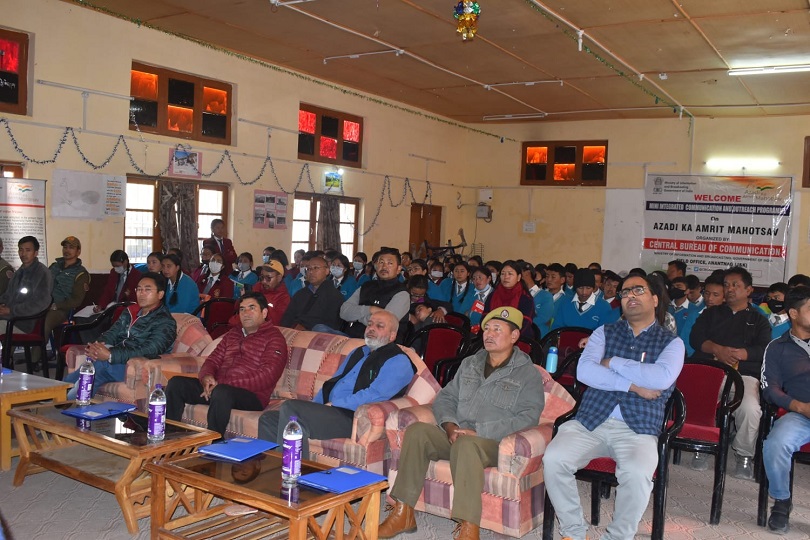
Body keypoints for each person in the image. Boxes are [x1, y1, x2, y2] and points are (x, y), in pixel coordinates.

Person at [378, 307, 545, 540]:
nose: (489, 333)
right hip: (458, 434)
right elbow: (446, 397)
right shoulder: (470, 363)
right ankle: (404, 511)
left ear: (514, 336)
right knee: (417, 432)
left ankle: (469, 528)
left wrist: (479, 432)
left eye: (497, 329)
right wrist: (449, 426)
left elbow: (529, 417)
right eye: (487, 328)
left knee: (468, 445)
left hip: (495, 443)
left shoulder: (528, 374)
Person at [543, 274, 685, 540]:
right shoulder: (604, 332)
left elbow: (661, 378)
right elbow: (585, 372)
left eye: (638, 290)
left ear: (654, 299)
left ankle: (617, 537)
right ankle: (573, 532)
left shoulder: (672, 343)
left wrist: (613, 362)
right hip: (591, 421)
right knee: (554, 459)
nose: (629, 295)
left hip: (639, 429)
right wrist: (632, 386)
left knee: (637, 473)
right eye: (624, 292)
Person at [257, 310, 414, 456]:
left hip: (352, 417)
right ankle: (275, 471)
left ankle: (294, 474)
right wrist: (315, 406)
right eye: (370, 324)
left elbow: (374, 395)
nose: (371, 328)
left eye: (379, 326)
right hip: (332, 411)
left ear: (392, 335)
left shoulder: (398, 360)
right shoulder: (359, 352)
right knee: (269, 419)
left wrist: (335, 404)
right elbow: (332, 383)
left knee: (292, 408)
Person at [166, 292, 288, 437]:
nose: (246, 313)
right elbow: (212, 360)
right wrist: (207, 377)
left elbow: (267, 376)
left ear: (264, 312)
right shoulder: (233, 334)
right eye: (242, 309)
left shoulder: (274, 338)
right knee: (176, 384)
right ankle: (169, 437)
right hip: (218, 388)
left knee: (222, 392)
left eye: (251, 308)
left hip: (252, 395)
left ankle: (213, 444)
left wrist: (221, 384)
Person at [689, 266, 771, 479]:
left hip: (742, 375)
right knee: (699, 400)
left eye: (736, 285)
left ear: (749, 290)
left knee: (751, 409)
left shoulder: (759, 319)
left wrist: (743, 353)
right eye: (727, 285)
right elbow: (695, 339)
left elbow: (765, 349)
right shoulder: (711, 314)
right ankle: (702, 445)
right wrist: (718, 350)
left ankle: (743, 455)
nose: (730, 289)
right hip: (710, 371)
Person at [63, 272, 176, 399]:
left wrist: (111, 355)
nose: (141, 293)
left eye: (147, 290)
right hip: (117, 360)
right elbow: (112, 333)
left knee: (101, 364)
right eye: (139, 289)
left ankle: (63, 396)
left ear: (160, 294)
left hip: (136, 366)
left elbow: (150, 350)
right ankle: (69, 397)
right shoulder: (130, 312)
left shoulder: (165, 322)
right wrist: (99, 345)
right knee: (96, 369)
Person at [760, 285, 810, 534]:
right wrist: (799, 406)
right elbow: (770, 389)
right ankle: (781, 501)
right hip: (800, 414)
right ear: (794, 313)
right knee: (775, 443)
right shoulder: (777, 347)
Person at [33, 236, 91, 368]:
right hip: (44, 304)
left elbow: (77, 300)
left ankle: (34, 360)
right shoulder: (54, 266)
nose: (67, 250)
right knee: (21, 315)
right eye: (65, 247)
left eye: (71, 247)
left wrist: (56, 305)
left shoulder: (81, 274)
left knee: (45, 321)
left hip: (61, 310)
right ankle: (9, 355)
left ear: (78, 251)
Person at [336, 247, 410, 340]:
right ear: (376, 265)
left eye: (390, 263)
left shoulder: (402, 293)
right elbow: (343, 312)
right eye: (381, 262)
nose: (384, 267)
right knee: (320, 330)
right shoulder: (366, 286)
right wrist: (370, 309)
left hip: (381, 342)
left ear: (399, 269)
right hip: (352, 336)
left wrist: (355, 316)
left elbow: (383, 323)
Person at [0, 236, 52, 334]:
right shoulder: (18, 272)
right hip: (10, 318)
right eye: (21, 250)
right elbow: (7, 296)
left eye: (28, 250)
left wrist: (11, 310)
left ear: (36, 253)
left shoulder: (42, 273)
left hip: (24, 322)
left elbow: (40, 303)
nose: (23, 254)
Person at [280, 256, 344, 330]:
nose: (311, 272)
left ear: (327, 271)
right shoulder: (300, 294)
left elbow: (330, 324)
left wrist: (304, 327)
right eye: (308, 269)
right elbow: (288, 317)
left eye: (316, 268)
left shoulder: (334, 296)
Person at [551, 268, 618, 331]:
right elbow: (556, 328)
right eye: (580, 288)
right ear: (575, 287)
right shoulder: (565, 303)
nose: (584, 292)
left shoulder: (604, 306)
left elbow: (605, 333)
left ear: (593, 288)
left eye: (588, 288)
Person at [229, 260, 290, 327]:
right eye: (262, 277)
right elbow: (237, 308)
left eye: (268, 278)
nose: (264, 281)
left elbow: (276, 322)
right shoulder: (258, 286)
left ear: (279, 278)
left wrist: (260, 304)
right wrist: (243, 298)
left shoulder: (284, 298)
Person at [484, 260, 535, 338]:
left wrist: (507, 338)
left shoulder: (525, 298)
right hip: (492, 336)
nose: (506, 277)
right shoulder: (492, 295)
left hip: (518, 338)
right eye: (503, 274)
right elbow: (485, 317)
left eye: (510, 274)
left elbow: (525, 324)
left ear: (518, 277)